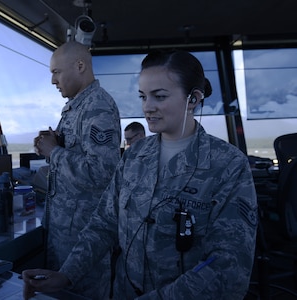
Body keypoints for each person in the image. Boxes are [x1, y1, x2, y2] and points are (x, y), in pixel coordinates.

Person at [23, 49, 258, 300]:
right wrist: (66, 274)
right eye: (143, 97)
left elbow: (229, 268)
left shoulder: (228, 165)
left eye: (159, 96)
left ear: (193, 99)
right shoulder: (135, 157)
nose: (148, 107)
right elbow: (103, 225)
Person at [32, 41, 121, 299]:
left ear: (80, 66)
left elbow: (102, 173)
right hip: (65, 233)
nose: (52, 80)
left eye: (56, 72)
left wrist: (55, 152)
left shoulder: (98, 107)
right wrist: (56, 144)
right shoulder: (77, 106)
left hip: (84, 237)